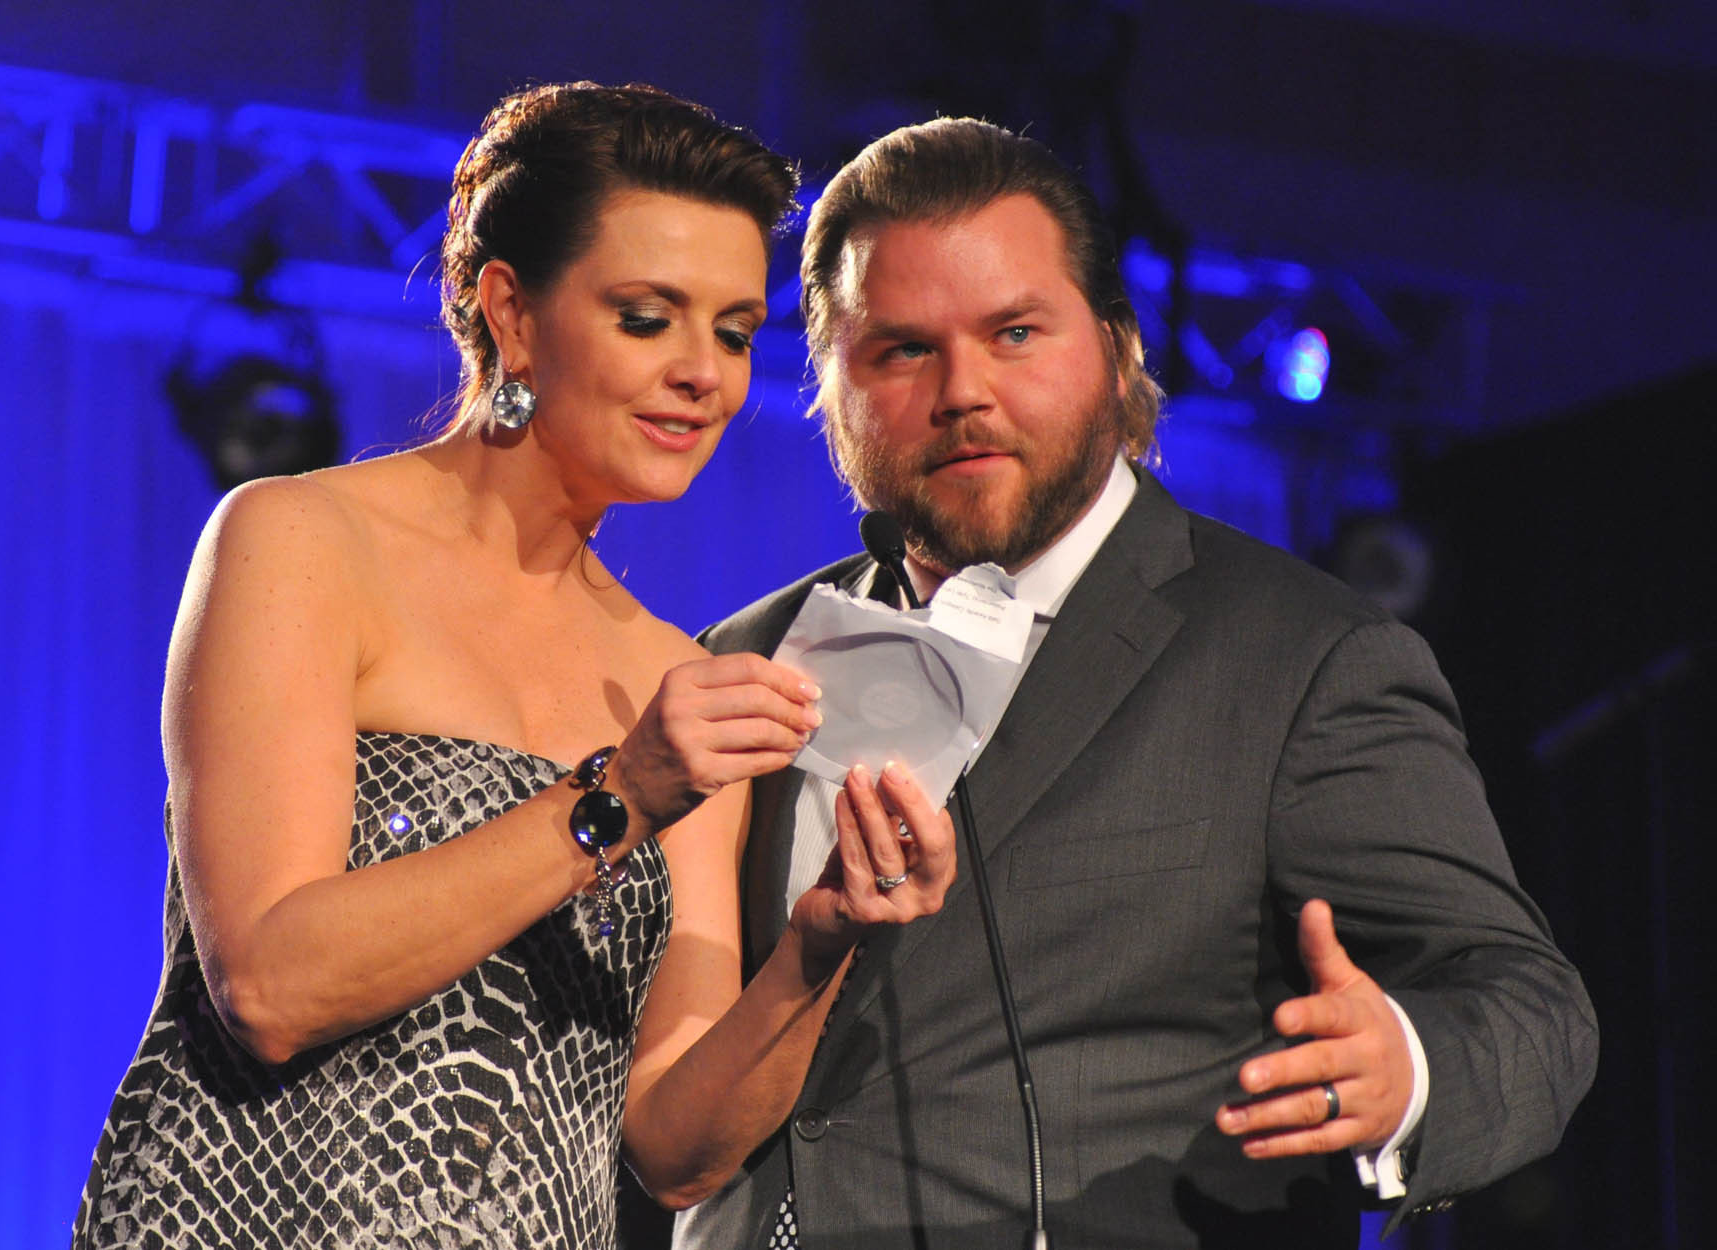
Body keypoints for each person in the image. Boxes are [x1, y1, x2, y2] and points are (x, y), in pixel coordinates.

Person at [676, 118, 1598, 1249]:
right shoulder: (740, 656)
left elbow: (1525, 1002)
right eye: (901, 349)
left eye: (1013, 331)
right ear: (827, 385)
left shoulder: (1298, 658)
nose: (961, 388)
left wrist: (1400, 1065)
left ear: (1116, 350)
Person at [72, 83, 956, 1250]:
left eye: (735, 332)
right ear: (512, 311)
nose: (707, 373)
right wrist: (617, 797)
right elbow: (271, 988)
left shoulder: (668, 676)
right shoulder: (297, 542)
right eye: (649, 316)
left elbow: (670, 1146)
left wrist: (822, 942)